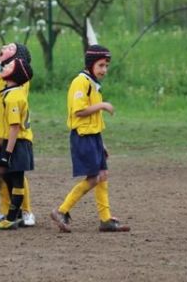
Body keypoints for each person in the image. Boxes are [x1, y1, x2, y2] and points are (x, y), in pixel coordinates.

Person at [50, 45, 130, 233]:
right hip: (82, 137)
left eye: (106, 66)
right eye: (101, 65)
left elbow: (93, 118)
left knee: (102, 175)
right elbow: (79, 111)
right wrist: (102, 105)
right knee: (94, 178)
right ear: (91, 64)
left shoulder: (93, 84)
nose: (104, 70)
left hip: (93, 137)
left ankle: (105, 219)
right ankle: (61, 211)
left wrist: (101, 143)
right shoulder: (81, 82)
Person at [0, 43, 36, 227]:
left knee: (16, 173)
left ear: (17, 59)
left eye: (10, 47)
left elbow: (15, 105)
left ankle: (25, 211)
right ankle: (6, 212)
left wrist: (2, 65)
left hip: (10, 135)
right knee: (2, 172)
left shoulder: (21, 80)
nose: (4, 47)